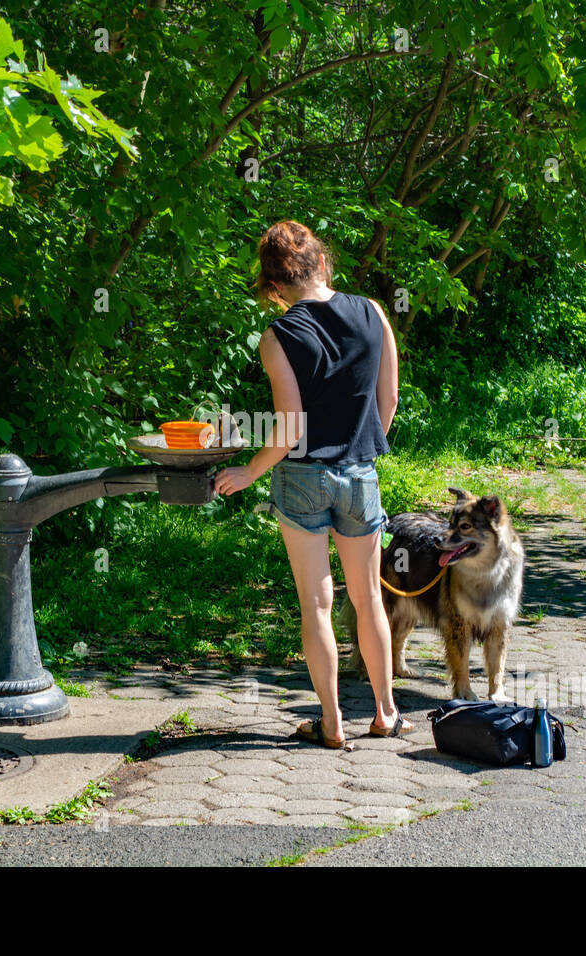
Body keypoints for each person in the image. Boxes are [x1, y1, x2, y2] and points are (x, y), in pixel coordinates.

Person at [213, 220, 411, 748]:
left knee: (316, 602)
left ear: (274, 288)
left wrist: (249, 471)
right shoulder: (373, 313)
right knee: (368, 598)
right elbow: (386, 403)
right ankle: (386, 713)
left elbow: (291, 425)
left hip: (300, 477)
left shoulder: (277, 336)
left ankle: (332, 723)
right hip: (359, 473)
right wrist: (359, 452)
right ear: (322, 263)